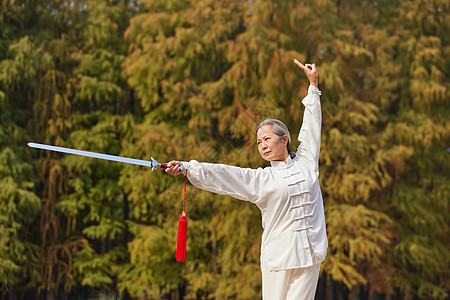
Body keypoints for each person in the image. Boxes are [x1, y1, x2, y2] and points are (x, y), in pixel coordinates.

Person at [166, 60, 327, 300]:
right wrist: (188, 168)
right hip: (279, 258)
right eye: (259, 142)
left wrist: (313, 86)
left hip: (312, 253)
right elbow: (227, 176)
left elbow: (312, 127)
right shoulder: (262, 179)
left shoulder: (306, 162)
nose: (262, 145)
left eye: (267, 138)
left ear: (284, 140)